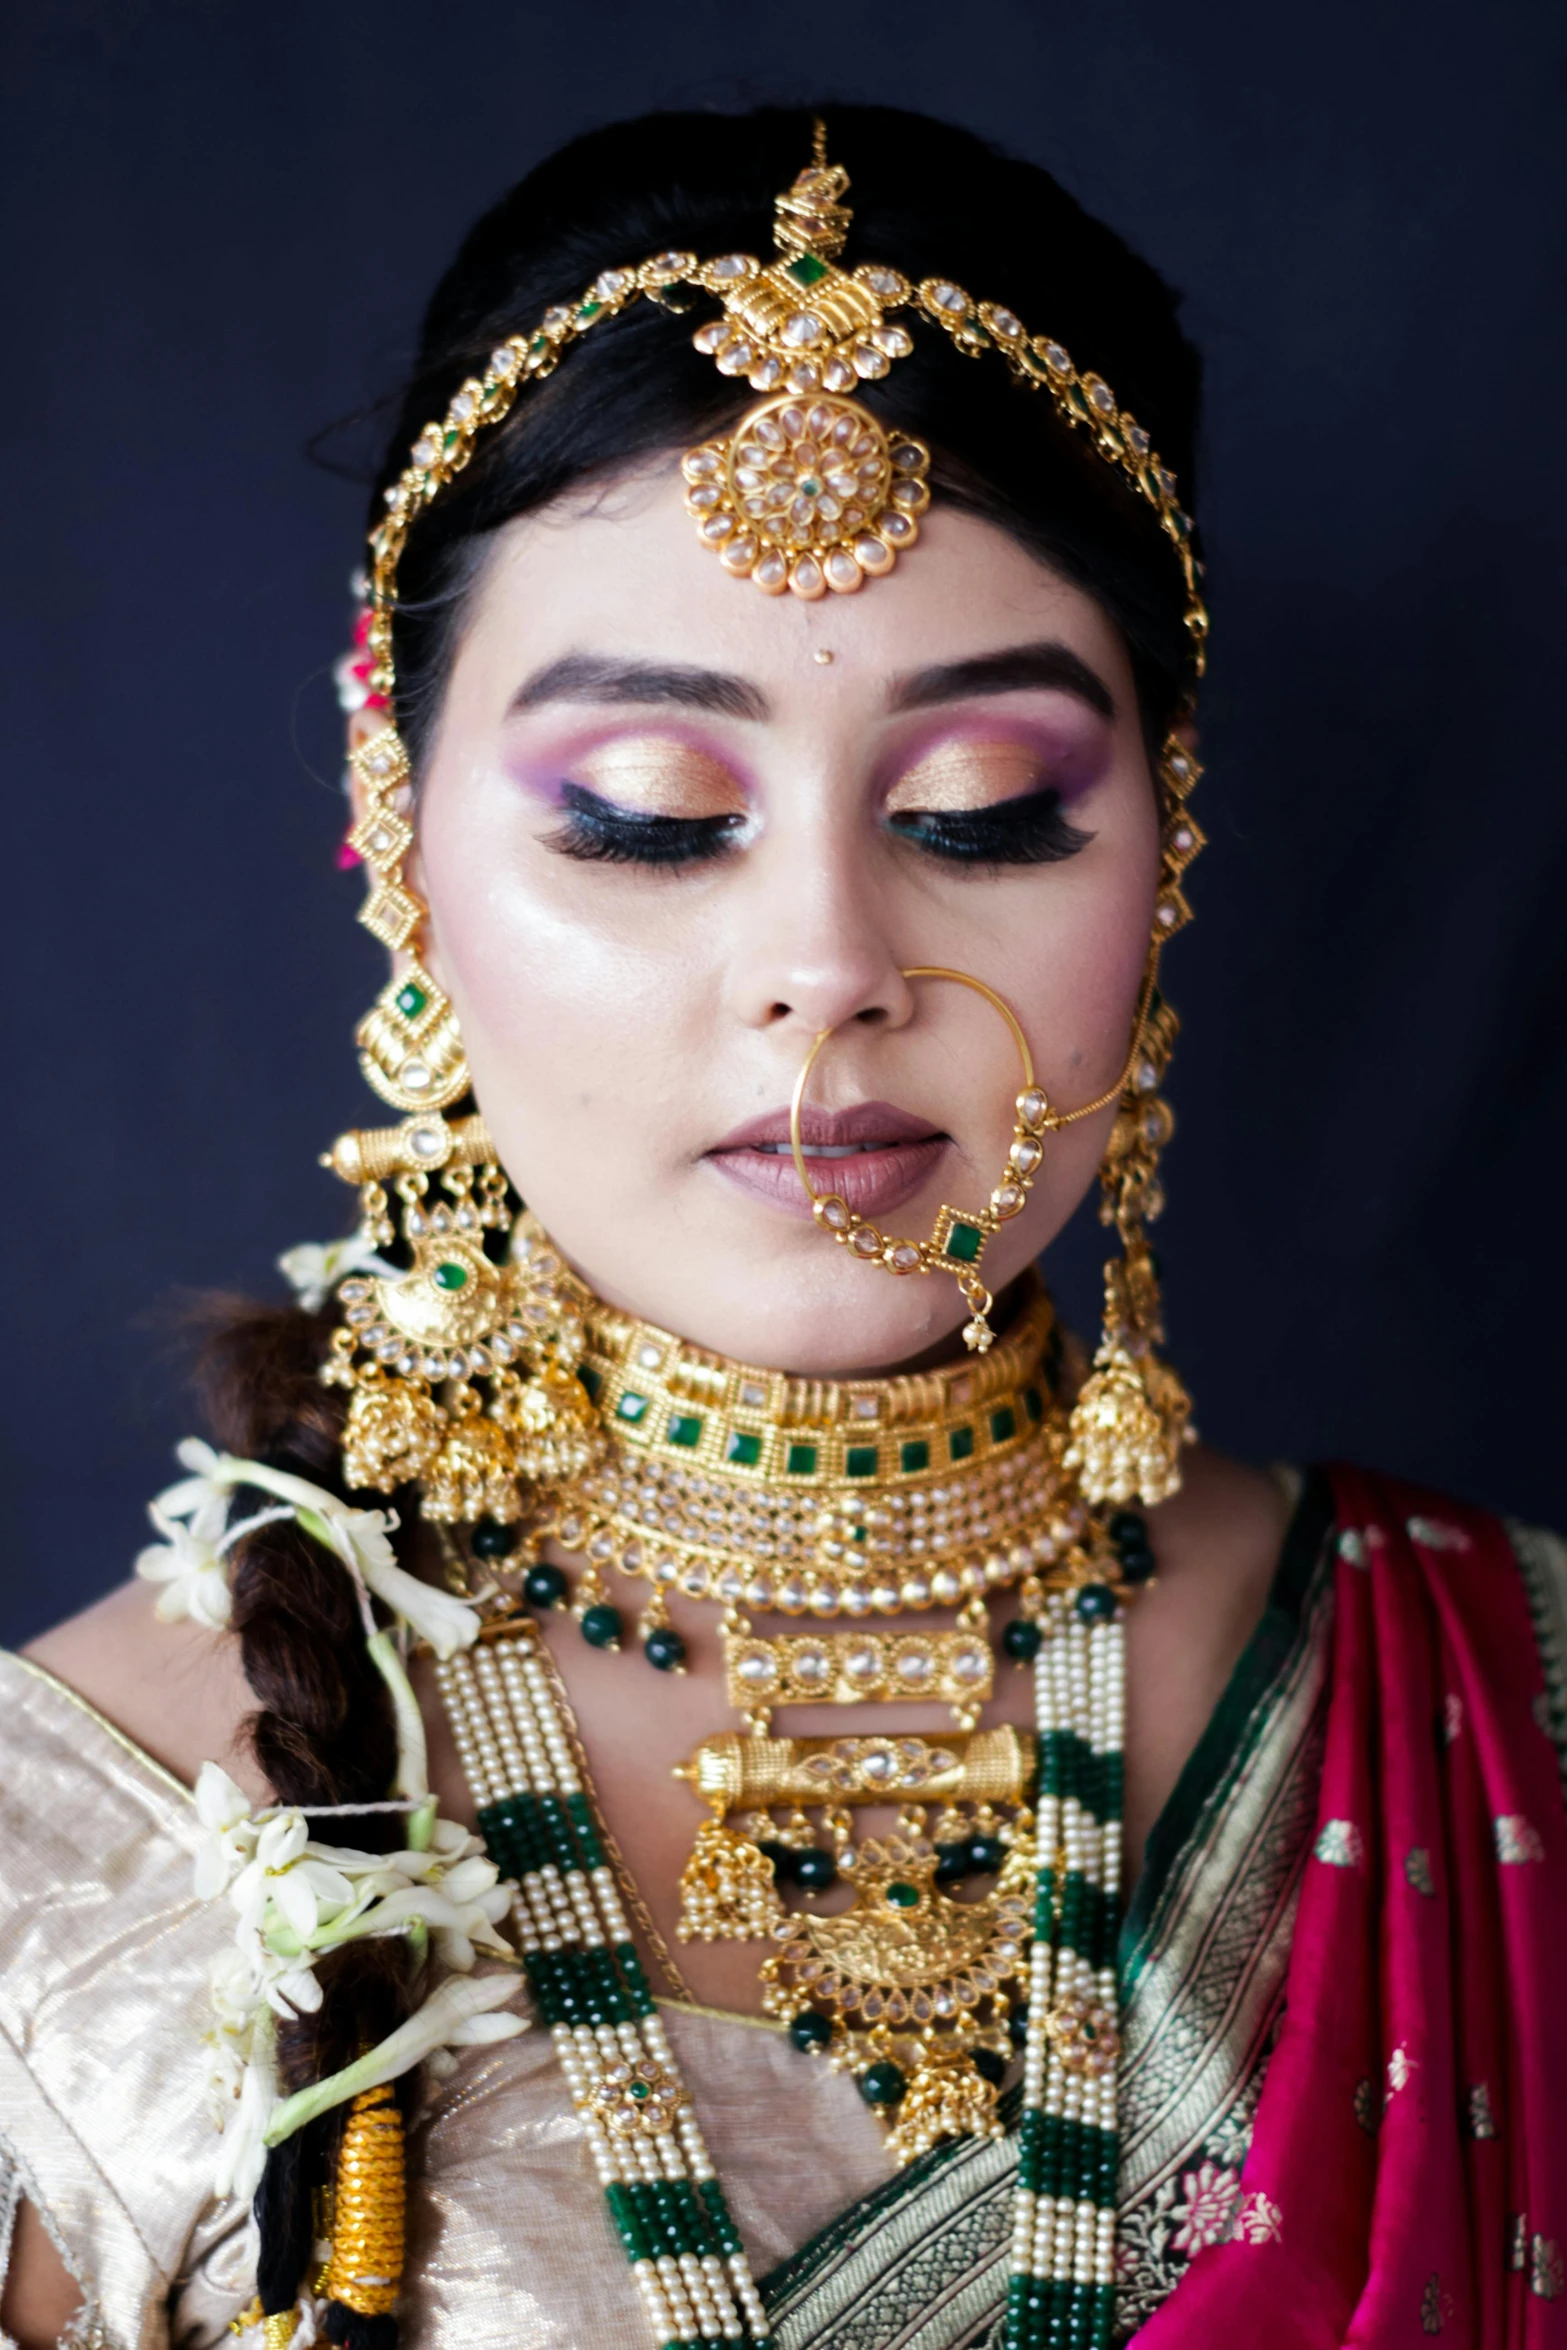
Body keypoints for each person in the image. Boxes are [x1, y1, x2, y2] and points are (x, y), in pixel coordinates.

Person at [2, 100, 1562, 2350]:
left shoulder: (1504, 1708)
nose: (829, 959)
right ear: (396, 820)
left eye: (987, 810)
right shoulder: (79, 1884)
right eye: (649, 820)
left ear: (1166, 837)